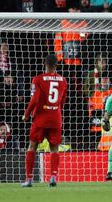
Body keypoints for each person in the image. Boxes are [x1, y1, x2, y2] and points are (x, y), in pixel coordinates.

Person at [21, 54, 67, 187]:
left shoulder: (38, 79)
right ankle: (53, 177)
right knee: (54, 149)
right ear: (56, 66)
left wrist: (27, 114)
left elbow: (34, 99)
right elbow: (62, 101)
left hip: (41, 118)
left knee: (32, 147)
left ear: (45, 64)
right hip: (55, 118)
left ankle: (29, 179)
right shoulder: (63, 80)